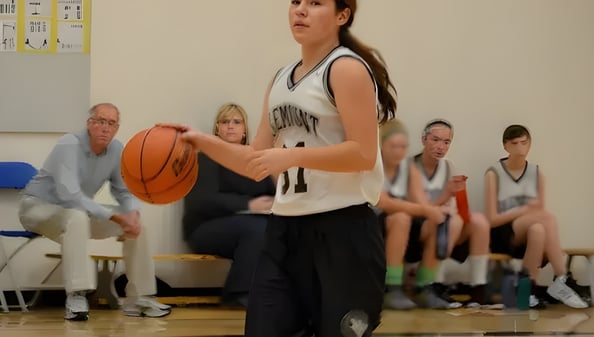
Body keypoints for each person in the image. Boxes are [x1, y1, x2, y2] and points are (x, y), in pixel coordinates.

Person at [162, 1, 396, 335]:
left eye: (315, 3)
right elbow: (254, 161)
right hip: (285, 231)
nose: (300, 10)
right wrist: (200, 141)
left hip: (343, 231)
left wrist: (291, 158)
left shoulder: (346, 69)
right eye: (296, 2)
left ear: (341, 16)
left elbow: (362, 154)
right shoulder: (280, 78)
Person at [18, 103, 171, 321]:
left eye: (111, 123)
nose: (105, 128)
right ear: (89, 124)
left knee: (138, 225)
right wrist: (113, 215)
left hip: (75, 213)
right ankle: (77, 296)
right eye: (100, 121)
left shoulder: (117, 149)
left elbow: (124, 191)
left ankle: (140, 299)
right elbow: (70, 195)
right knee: (77, 216)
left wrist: (132, 213)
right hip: (36, 207)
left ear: (116, 128)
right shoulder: (68, 145)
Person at [182, 103, 275, 307]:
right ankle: (238, 293)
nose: (230, 126)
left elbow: (273, 194)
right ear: (217, 129)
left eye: (236, 122)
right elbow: (203, 200)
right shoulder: (206, 157)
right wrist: (250, 204)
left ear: (244, 130)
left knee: (283, 229)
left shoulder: (256, 158)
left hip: (250, 226)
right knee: (258, 229)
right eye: (225, 122)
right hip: (205, 227)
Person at [484, 124, 588, 309]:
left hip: (529, 232)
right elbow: (492, 219)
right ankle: (562, 277)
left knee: (539, 229)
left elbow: (538, 213)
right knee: (547, 218)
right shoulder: (494, 173)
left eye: (524, 143)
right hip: (503, 233)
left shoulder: (536, 172)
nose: (520, 148)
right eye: (514, 143)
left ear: (530, 144)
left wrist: (529, 213)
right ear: (505, 146)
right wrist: (522, 211)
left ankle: (526, 293)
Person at [376, 119, 463, 310]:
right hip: (374, 226)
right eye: (394, 146)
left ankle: (425, 287)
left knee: (439, 220)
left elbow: (423, 205)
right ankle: (392, 287)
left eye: (403, 147)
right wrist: (427, 210)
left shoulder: (410, 169)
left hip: (406, 225)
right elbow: (384, 203)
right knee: (400, 217)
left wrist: (439, 208)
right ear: (382, 144)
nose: (399, 152)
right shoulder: (375, 166)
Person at [413, 119, 491, 306]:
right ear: (424, 140)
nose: (441, 147)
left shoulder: (448, 166)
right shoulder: (411, 167)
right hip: (419, 225)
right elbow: (415, 207)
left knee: (479, 221)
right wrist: (442, 205)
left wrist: (456, 202)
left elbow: (455, 204)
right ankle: (432, 284)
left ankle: (477, 287)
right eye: (436, 140)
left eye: (446, 142)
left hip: (447, 222)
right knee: (449, 219)